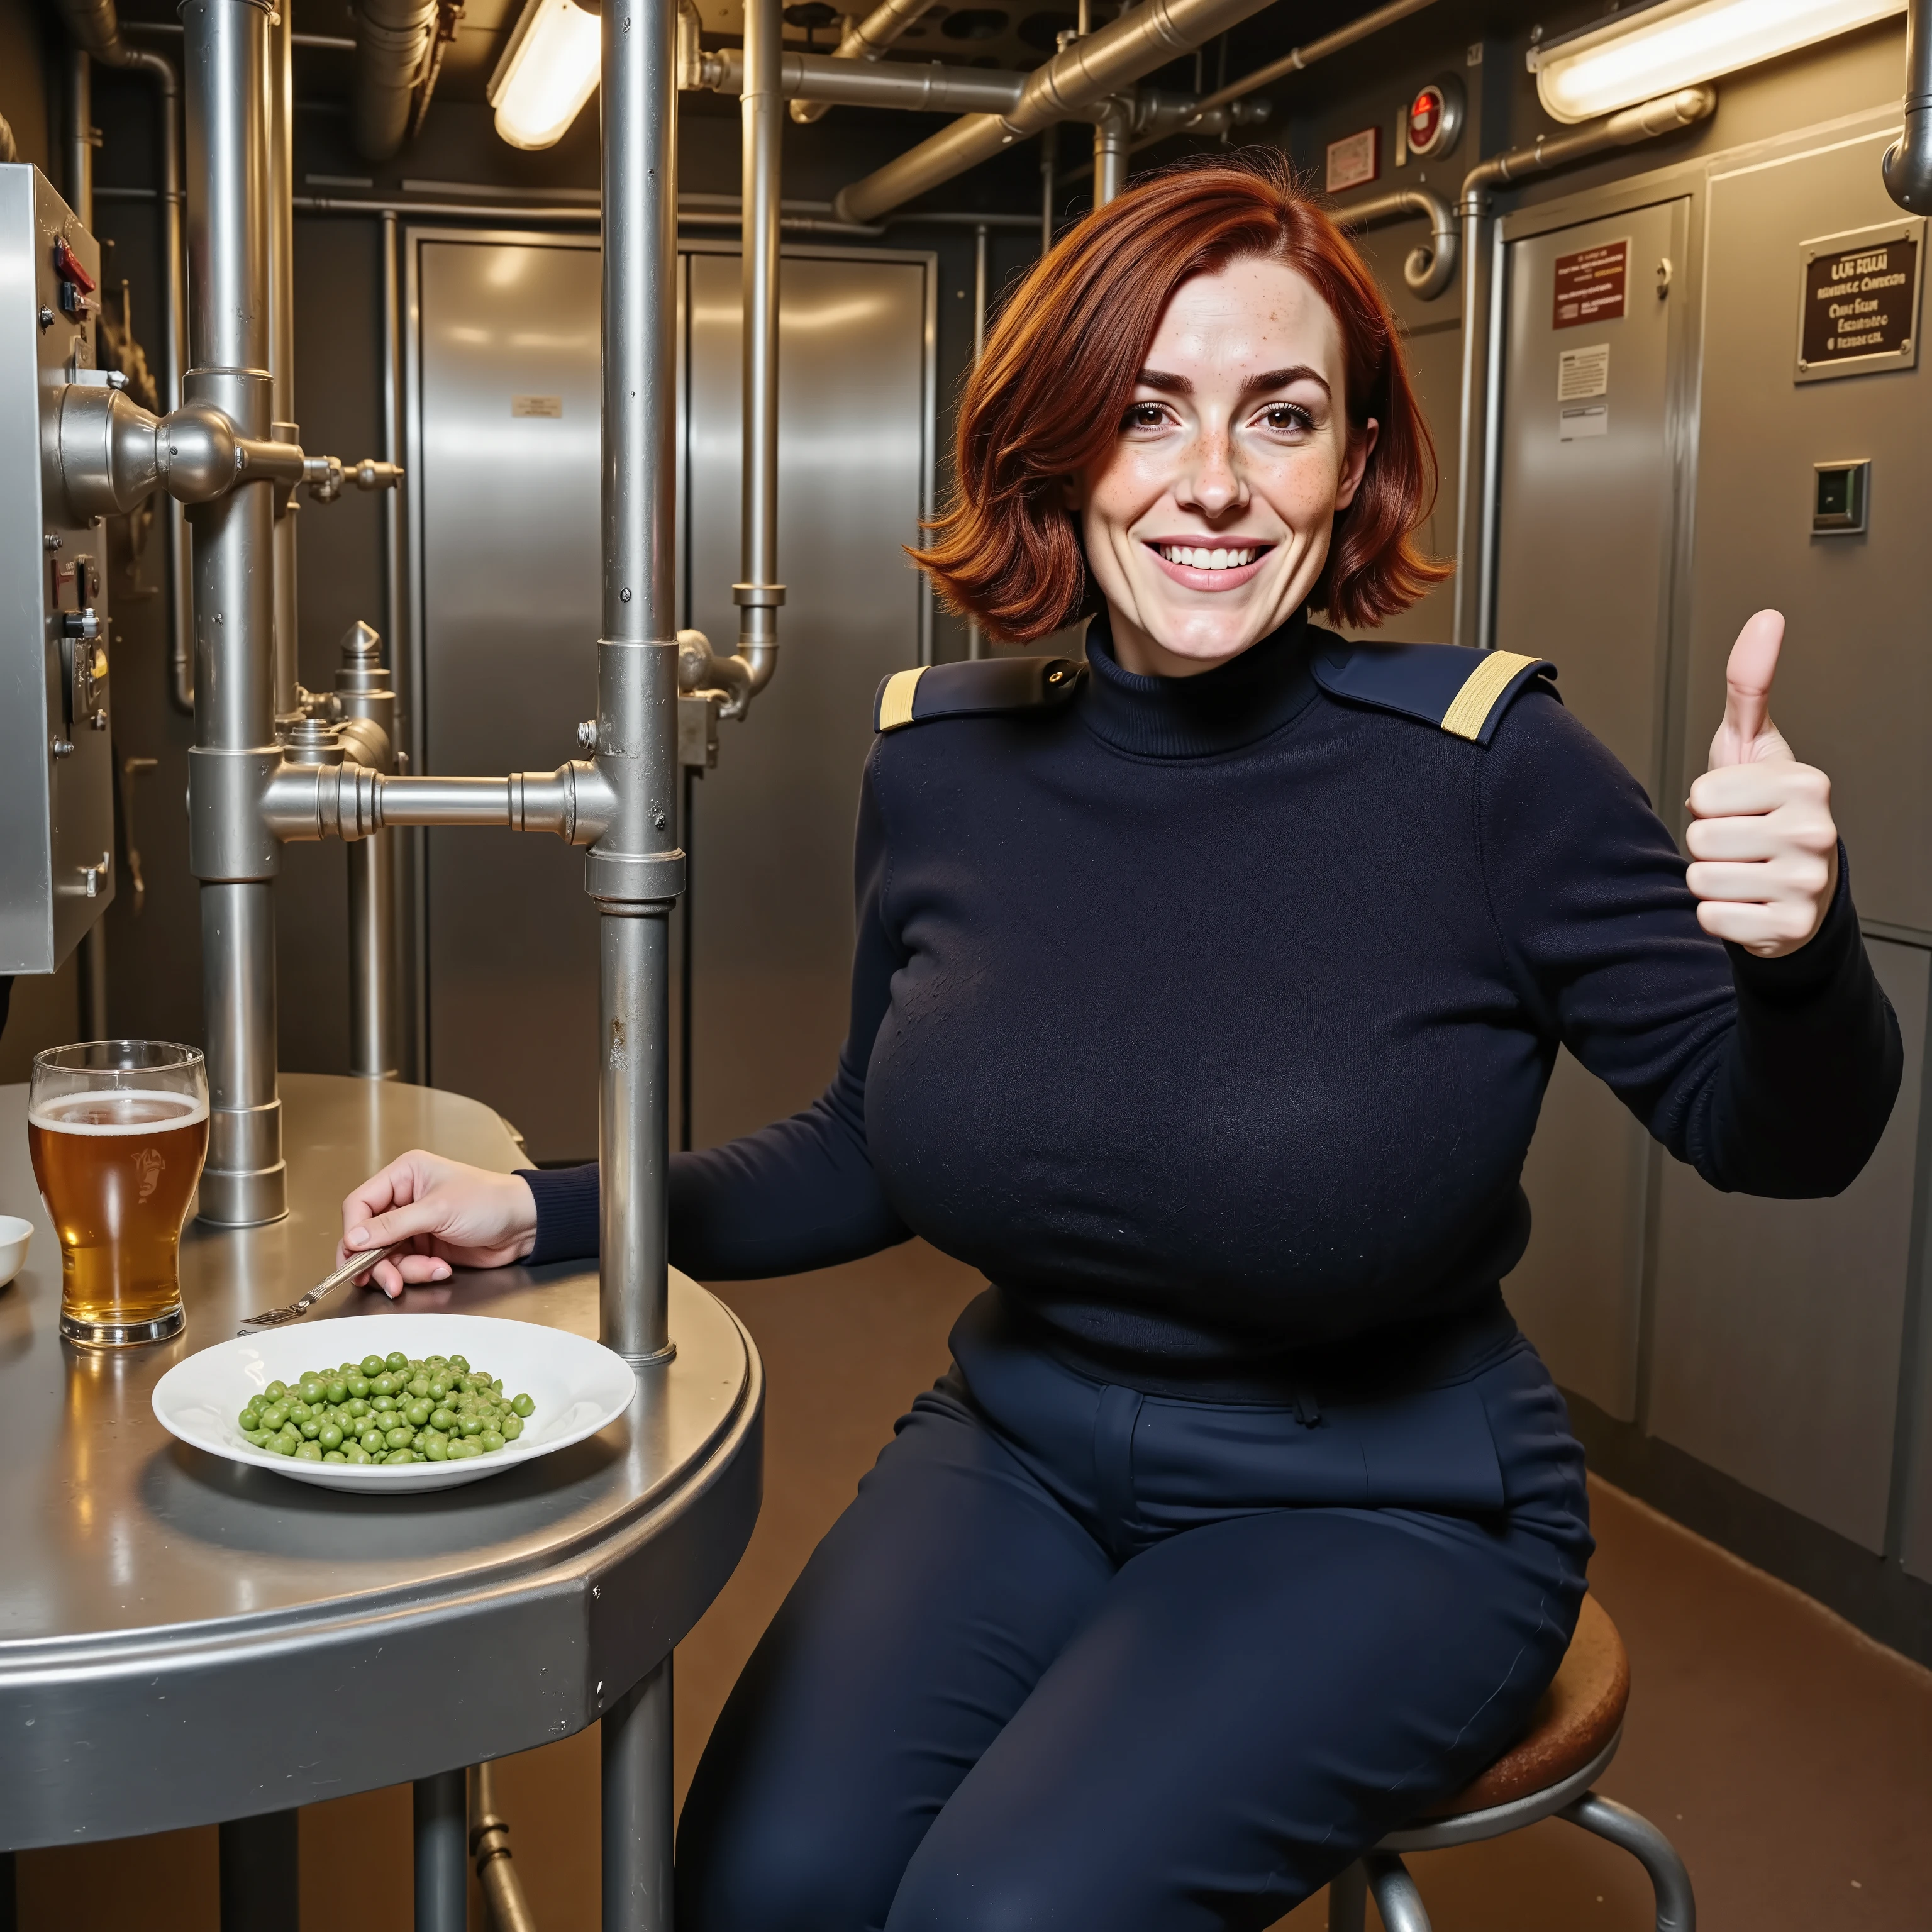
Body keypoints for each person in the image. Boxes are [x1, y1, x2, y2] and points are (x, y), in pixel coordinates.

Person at [338, 153, 1901, 1931]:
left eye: (1282, 417)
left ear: (1356, 467)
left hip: (1390, 1501)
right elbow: (870, 1142)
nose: (1214, 485)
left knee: (1001, 1920)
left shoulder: (1488, 773)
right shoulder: (941, 765)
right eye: (1148, 412)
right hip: (1023, 1444)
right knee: (760, 1886)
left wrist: (1797, 955)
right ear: (1059, 450)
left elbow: (1784, 1137)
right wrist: (541, 1213)